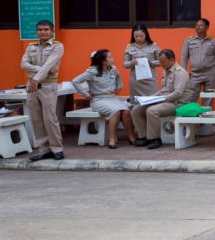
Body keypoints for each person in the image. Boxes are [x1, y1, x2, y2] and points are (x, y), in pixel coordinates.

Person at [72, 50, 136, 149]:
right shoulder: (92, 71)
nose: (113, 59)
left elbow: (118, 78)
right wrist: (85, 95)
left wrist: (119, 87)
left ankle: (131, 137)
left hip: (112, 97)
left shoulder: (113, 69)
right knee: (115, 112)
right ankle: (111, 139)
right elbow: (75, 81)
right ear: (103, 61)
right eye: (110, 57)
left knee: (126, 112)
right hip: (98, 99)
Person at [21, 20, 65, 162]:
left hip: (47, 85)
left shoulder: (57, 46)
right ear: (36, 32)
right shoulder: (31, 47)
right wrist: (42, 71)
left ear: (52, 32)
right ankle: (44, 149)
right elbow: (23, 64)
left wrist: (36, 79)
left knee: (49, 118)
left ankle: (57, 149)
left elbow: (49, 64)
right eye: (40, 30)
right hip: (32, 86)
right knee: (36, 118)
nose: (43, 32)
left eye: (46, 29)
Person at [130, 50, 191, 150]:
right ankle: (145, 137)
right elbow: (164, 89)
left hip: (177, 103)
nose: (161, 64)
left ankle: (156, 139)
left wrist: (161, 100)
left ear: (172, 60)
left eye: (163, 62)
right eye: (160, 62)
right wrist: (150, 98)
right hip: (165, 101)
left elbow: (177, 93)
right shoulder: (166, 71)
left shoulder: (180, 73)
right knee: (136, 109)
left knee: (151, 110)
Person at [181, 17, 215, 103]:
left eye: (201, 25)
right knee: (191, 97)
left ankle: (206, 114)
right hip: (195, 74)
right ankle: (191, 115)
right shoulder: (189, 40)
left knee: (208, 97)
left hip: (210, 73)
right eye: (196, 25)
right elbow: (184, 56)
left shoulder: (213, 42)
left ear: (207, 27)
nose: (198, 27)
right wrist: (183, 72)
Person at [122, 25, 162, 97]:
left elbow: (161, 61)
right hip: (136, 79)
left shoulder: (153, 46)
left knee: (152, 100)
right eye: (136, 36)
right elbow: (125, 64)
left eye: (141, 36)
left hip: (150, 78)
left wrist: (151, 62)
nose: (139, 38)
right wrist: (132, 63)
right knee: (136, 102)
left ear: (146, 35)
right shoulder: (129, 47)